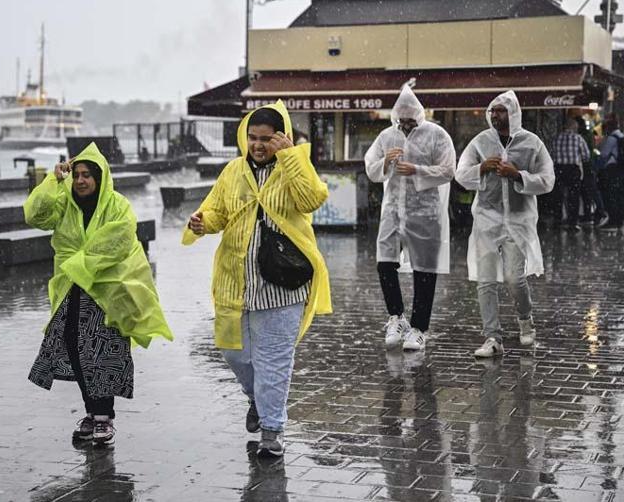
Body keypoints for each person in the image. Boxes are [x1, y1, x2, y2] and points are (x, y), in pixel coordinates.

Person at [182, 100, 331, 458]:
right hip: (236, 283)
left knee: (275, 361)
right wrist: (204, 222)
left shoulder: (294, 164)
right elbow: (217, 209)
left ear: (282, 138)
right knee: (234, 354)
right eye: (253, 138)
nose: (259, 145)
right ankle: (259, 400)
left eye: (267, 138)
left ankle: (272, 430)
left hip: (283, 285)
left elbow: (312, 199)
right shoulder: (233, 170)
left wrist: (291, 156)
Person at [25, 142, 173, 446]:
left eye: (87, 175)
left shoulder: (117, 205)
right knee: (74, 346)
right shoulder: (64, 200)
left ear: (99, 177)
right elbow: (35, 216)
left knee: (103, 350)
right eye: (77, 174)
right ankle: (92, 412)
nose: (80, 180)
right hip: (70, 285)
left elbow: (118, 239)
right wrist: (53, 181)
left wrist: (82, 262)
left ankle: (104, 417)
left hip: (107, 289)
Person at [454, 91, 555, 357]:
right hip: (487, 219)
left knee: (513, 278)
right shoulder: (480, 142)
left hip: (519, 220)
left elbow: (548, 179)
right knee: (486, 280)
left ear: (513, 113)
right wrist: (482, 168)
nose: (495, 115)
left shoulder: (532, 143)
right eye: (493, 111)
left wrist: (518, 175)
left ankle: (525, 318)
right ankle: (492, 338)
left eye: (500, 111)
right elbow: (461, 173)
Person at [364, 85, 456, 352]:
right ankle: (397, 316)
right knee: (385, 263)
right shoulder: (386, 136)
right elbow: (370, 166)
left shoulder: (437, 135)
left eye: (409, 121)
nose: (405, 126)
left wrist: (417, 170)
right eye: (401, 121)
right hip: (393, 209)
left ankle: (419, 329)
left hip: (425, 212)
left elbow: (448, 170)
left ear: (419, 116)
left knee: (424, 271)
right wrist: (384, 163)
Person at [550, 117, 590, 231]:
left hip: (559, 169)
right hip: (573, 170)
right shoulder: (578, 138)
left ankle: (557, 220)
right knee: (574, 196)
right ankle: (572, 222)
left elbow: (551, 155)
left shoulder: (556, 138)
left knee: (558, 195)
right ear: (574, 127)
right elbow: (586, 156)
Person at [597, 115, 624, 230]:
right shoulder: (622, 136)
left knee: (612, 196)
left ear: (609, 128)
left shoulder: (612, 138)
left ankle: (613, 221)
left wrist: (597, 167)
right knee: (620, 196)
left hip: (616, 171)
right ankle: (619, 221)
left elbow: (603, 155)